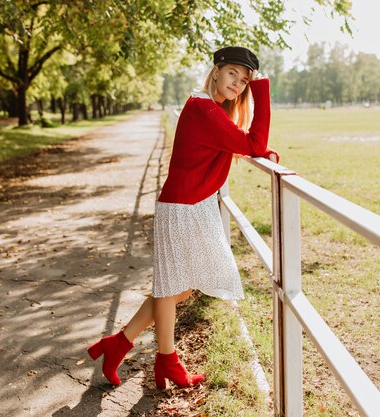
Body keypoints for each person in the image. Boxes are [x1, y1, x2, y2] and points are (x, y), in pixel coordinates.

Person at [87, 46, 280, 390]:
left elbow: (244, 143)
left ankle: (118, 345)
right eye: (233, 73)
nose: (239, 83)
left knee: (177, 290)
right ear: (217, 70)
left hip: (191, 206)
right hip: (181, 209)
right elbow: (252, 142)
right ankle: (166, 361)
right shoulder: (204, 108)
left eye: (246, 81)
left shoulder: (210, 108)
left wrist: (258, 146)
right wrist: (263, 91)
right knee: (170, 289)